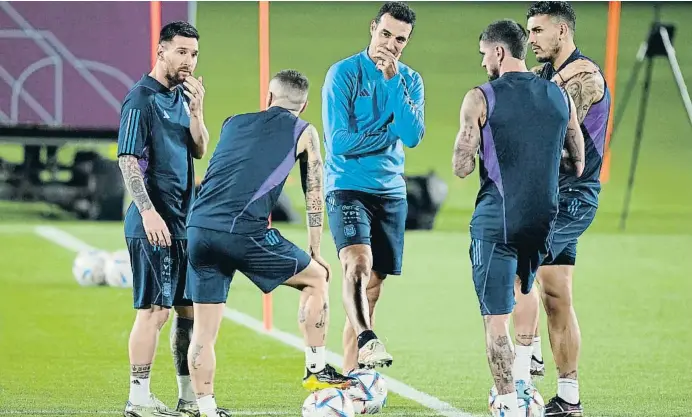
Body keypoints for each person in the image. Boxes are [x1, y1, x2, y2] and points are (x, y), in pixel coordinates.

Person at [185, 69, 357, 417]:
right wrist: (315, 252)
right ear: (304, 105)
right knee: (316, 278)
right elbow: (314, 192)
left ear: (267, 97)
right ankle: (316, 368)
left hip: (198, 229)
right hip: (243, 230)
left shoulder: (232, 122)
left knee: (203, 331)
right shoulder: (305, 132)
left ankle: (206, 407)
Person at [452, 19, 584, 417]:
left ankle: (508, 402)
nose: (482, 64)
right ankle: (528, 377)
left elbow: (460, 166)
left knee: (495, 321)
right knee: (527, 289)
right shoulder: (560, 97)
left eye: (483, 55)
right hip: (542, 221)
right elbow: (576, 162)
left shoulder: (480, 97)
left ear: (498, 52)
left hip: (498, 221)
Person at [321, 1, 425, 374]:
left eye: (400, 39)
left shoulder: (409, 80)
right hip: (347, 185)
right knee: (357, 264)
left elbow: (412, 136)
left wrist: (394, 83)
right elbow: (340, 143)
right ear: (372, 28)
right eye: (386, 34)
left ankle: (354, 377)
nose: (391, 44)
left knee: (371, 289)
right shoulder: (344, 74)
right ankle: (367, 337)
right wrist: (386, 134)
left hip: (390, 192)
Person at [116, 21, 209, 417]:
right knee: (154, 311)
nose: (188, 61)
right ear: (161, 51)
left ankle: (187, 397)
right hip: (152, 223)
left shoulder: (180, 98)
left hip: (183, 221)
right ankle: (138, 398)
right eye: (182, 52)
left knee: (188, 311)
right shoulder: (141, 99)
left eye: (194, 54)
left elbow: (200, 149)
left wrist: (198, 110)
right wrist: (148, 212)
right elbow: (128, 159)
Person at [525, 2, 611, 415]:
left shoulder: (585, 76)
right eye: (528, 31)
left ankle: (527, 362)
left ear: (562, 31)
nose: (532, 39)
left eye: (538, 30)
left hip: (572, 197)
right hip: (549, 195)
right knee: (556, 295)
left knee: (514, 267)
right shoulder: (547, 75)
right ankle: (568, 400)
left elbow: (551, 133)